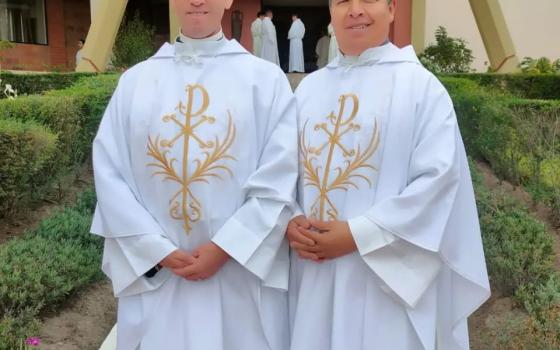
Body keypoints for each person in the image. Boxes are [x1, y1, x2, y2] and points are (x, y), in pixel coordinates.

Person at [91, 0, 298, 349]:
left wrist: (226, 247)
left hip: (236, 275)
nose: (196, 0)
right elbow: (109, 172)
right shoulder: (135, 81)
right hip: (159, 274)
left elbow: (281, 174)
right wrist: (154, 249)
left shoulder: (265, 81)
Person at [287, 0, 490, 349]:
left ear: (392, 8)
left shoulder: (421, 89)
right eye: (342, 2)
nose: (354, 11)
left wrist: (356, 234)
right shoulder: (307, 89)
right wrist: (289, 220)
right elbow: (283, 172)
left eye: (368, 0)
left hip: (385, 285)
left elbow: (438, 184)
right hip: (313, 275)